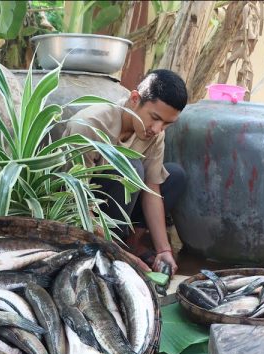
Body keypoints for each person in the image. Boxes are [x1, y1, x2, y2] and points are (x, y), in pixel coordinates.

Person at [63, 69, 188, 274]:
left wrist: (164, 249)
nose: (157, 129)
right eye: (155, 118)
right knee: (131, 166)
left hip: (123, 200)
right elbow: (76, 201)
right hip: (84, 207)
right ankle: (114, 249)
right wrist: (117, 252)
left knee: (175, 176)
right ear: (134, 99)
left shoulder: (155, 134)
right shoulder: (90, 125)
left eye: (166, 123)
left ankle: (133, 243)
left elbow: (151, 188)